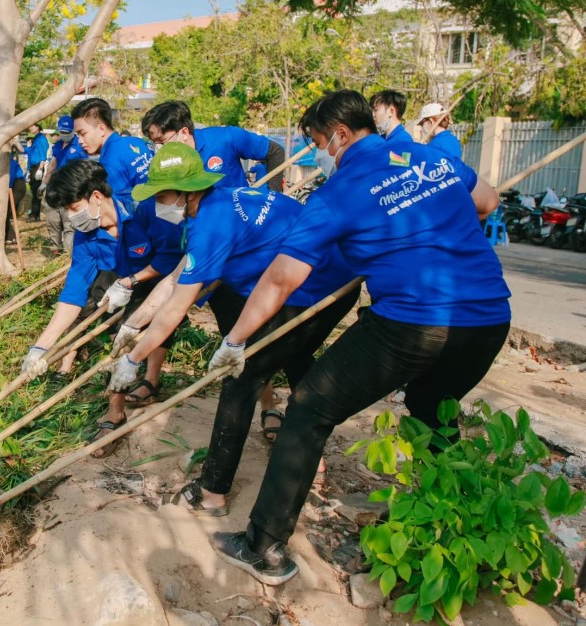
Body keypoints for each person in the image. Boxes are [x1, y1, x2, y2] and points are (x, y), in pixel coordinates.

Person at [202, 89, 509, 586]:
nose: (320, 153)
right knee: (434, 407)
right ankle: (447, 526)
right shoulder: (427, 155)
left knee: (307, 408)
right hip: (490, 318)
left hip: (413, 322)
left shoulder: (339, 192)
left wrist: (235, 339)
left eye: (319, 142)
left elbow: (281, 279)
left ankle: (264, 547)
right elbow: (488, 201)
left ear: (341, 134)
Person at [107, 141, 356, 516]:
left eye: (163, 194)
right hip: (326, 276)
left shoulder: (211, 224)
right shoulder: (216, 201)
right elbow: (175, 279)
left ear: (186, 191)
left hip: (318, 288)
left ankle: (213, 493)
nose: (159, 201)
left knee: (241, 379)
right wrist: (132, 324)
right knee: (294, 356)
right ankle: (313, 458)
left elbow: (178, 304)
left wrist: (133, 359)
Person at [21, 159, 182, 458]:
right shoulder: (87, 235)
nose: (71, 218)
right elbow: (73, 293)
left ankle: (138, 393)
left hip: (165, 274)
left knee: (154, 325)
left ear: (95, 196)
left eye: (72, 208)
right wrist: (41, 347)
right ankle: (117, 412)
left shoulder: (144, 208)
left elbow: (172, 256)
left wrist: (134, 280)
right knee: (120, 336)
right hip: (124, 277)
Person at [141, 100, 286, 193]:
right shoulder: (164, 164)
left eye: (161, 141)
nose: (158, 148)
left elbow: (275, 151)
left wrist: (272, 197)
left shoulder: (226, 138)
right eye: (153, 143)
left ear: (184, 132)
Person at [70, 98, 153, 210]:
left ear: (101, 129)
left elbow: (119, 209)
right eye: (77, 135)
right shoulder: (139, 142)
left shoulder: (110, 161)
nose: (79, 140)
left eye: (82, 133)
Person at [41, 115, 88, 251]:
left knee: (69, 224)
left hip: (71, 190)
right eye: (62, 132)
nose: (64, 135)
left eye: (67, 132)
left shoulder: (80, 146)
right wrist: (44, 183)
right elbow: (53, 164)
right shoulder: (58, 145)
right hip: (54, 188)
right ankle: (55, 251)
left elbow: (84, 169)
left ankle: (68, 256)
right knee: (52, 221)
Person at [21, 122, 51, 221]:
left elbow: (43, 155)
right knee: (34, 190)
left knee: (36, 191)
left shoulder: (41, 139)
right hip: (33, 167)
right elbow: (29, 152)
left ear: (38, 127)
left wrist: (40, 169)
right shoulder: (36, 139)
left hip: (38, 166)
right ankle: (35, 214)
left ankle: (35, 214)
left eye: (32, 126)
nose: (30, 127)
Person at [7, 146, 26, 244]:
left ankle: (11, 237)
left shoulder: (10, 162)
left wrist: (8, 186)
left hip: (18, 186)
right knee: (5, 211)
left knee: (6, 211)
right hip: (12, 186)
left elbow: (10, 177)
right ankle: (9, 236)